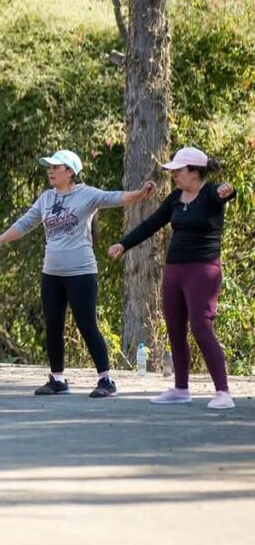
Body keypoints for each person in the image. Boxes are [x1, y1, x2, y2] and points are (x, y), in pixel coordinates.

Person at [0, 150, 155, 398]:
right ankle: (57, 380)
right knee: (53, 325)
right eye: (49, 167)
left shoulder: (86, 194)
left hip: (81, 272)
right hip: (51, 272)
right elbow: (24, 223)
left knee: (87, 325)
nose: (50, 171)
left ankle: (105, 380)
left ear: (70, 171)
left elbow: (115, 198)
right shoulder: (46, 198)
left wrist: (140, 194)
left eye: (56, 167)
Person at [109, 147, 238, 410]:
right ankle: (181, 389)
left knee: (201, 328)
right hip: (175, 270)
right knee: (175, 329)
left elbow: (225, 191)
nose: (175, 175)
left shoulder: (210, 194)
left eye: (179, 171)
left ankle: (223, 392)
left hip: (203, 270)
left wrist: (229, 189)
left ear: (194, 172)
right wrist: (123, 244)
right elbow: (151, 224)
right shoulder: (176, 198)